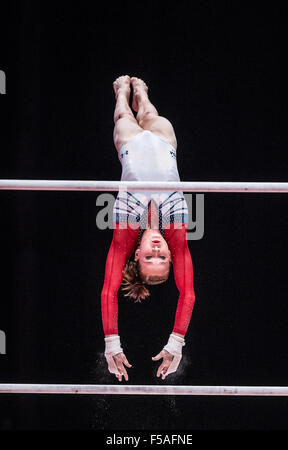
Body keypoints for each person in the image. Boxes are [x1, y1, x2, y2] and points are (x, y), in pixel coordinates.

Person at [101, 75, 195, 382]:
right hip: (165, 141)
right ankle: (141, 93)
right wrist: (176, 341)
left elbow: (108, 291)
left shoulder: (125, 232)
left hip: (130, 143)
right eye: (162, 258)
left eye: (148, 258)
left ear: (136, 255)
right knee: (150, 115)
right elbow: (188, 294)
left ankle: (121, 93)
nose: (156, 251)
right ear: (172, 254)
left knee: (124, 116)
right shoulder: (177, 231)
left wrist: (111, 342)